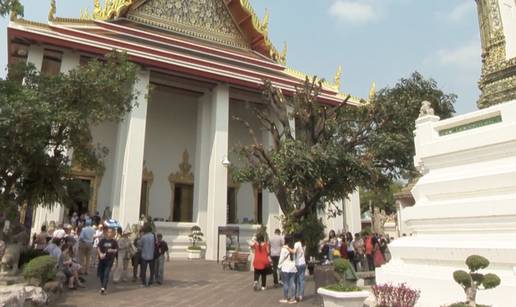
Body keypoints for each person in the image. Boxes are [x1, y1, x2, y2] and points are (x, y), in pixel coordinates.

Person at [97, 227, 118, 295]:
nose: (109, 233)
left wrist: (112, 250)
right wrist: (100, 254)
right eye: (108, 232)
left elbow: (116, 250)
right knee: (101, 274)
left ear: (113, 233)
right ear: (106, 233)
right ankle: (102, 285)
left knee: (106, 273)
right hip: (102, 259)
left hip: (109, 260)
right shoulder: (103, 240)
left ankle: (103, 288)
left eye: (111, 232)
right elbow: (98, 247)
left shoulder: (114, 242)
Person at [278, 234, 297, 304]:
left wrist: (278, 266)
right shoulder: (293, 248)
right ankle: (293, 298)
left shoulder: (284, 248)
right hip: (293, 266)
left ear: (285, 240)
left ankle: (285, 298)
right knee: (292, 283)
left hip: (285, 267)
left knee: (286, 283)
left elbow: (281, 259)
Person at [293, 233, 306, 302]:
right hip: (303, 263)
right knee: (302, 280)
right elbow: (305, 253)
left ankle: (295, 295)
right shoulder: (303, 244)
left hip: (298, 263)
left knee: (296, 280)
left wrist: (288, 248)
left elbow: (294, 251)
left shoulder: (296, 244)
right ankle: (301, 295)